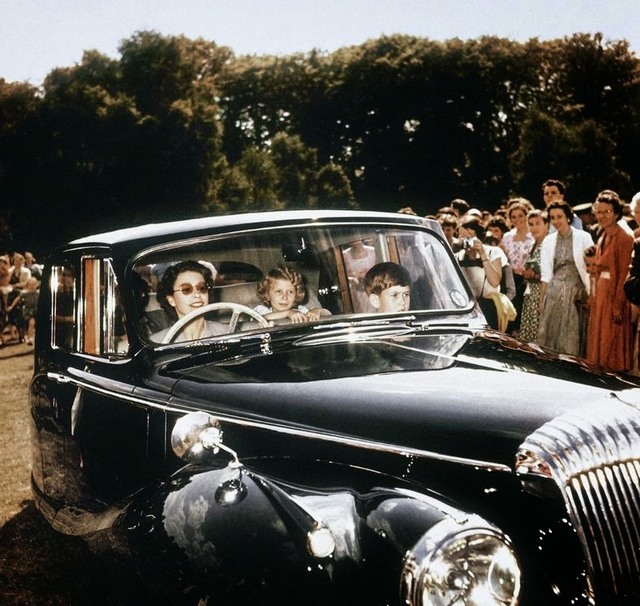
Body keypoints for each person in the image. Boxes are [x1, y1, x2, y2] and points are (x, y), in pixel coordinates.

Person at [586, 190, 634, 372]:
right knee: (599, 340)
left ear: (616, 213)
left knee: (611, 341)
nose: (602, 216)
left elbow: (624, 274)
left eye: (607, 212)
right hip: (601, 295)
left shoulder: (624, 237)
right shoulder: (603, 235)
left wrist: (618, 303)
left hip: (614, 296)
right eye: (599, 212)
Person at [537, 201, 593, 356]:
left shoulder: (584, 237)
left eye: (559, 216)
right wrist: (542, 300)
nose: (556, 221)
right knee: (551, 332)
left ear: (568, 217)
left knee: (572, 334)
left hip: (576, 292)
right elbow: (546, 273)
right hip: (554, 291)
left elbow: (591, 269)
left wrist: (591, 293)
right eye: (552, 218)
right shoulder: (548, 240)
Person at [151, 260, 228, 342]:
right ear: (171, 300)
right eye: (186, 289)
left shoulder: (228, 333)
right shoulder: (157, 342)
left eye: (202, 288)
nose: (197, 294)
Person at [455, 216, 508, 329]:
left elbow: (494, 282)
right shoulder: (458, 257)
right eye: (462, 237)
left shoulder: (493, 252)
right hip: (468, 307)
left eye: (469, 238)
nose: (466, 242)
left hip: (489, 307)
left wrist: (483, 254)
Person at [501, 199, 535, 334]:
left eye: (521, 215)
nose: (517, 219)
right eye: (513, 217)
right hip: (512, 280)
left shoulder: (533, 235)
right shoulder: (507, 236)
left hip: (529, 280)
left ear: (527, 215)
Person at [254, 266, 326, 323]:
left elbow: (329, 315)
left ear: (296, 295)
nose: (285, 297)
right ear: (267, 295)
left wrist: (317, 311)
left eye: (290, 292)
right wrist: (288, 313)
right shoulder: (262, 311)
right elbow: (261, 319)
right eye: (279, 291)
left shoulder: (301, 311)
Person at [518, 210, 549, 343]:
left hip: (542, 292)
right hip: (530, 293)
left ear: (546, 224)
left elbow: (551, 273)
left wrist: (535, 275)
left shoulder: (548, 244)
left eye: (537, 223)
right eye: (531, 224)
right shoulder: (532, 245)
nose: (534, 227)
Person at [343, 240, 377, 312]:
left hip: (373, 289)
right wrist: (353, 278)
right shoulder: (344, 255)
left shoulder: (373, 251)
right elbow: (342, 276)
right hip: (355, 292)